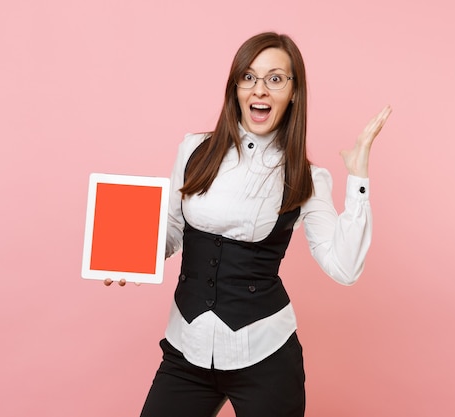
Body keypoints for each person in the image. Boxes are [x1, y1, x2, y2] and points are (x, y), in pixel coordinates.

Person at [106, 31, 391, 417]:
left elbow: (344, 268)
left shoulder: (307, 176)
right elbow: (173, 230)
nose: (260, 89)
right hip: (186, 348)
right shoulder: (193, 150)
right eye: (249, 77)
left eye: (275, 78)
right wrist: (131, 257)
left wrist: (357, 178)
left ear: (293, 92)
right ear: (235, 86)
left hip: (265, 357)